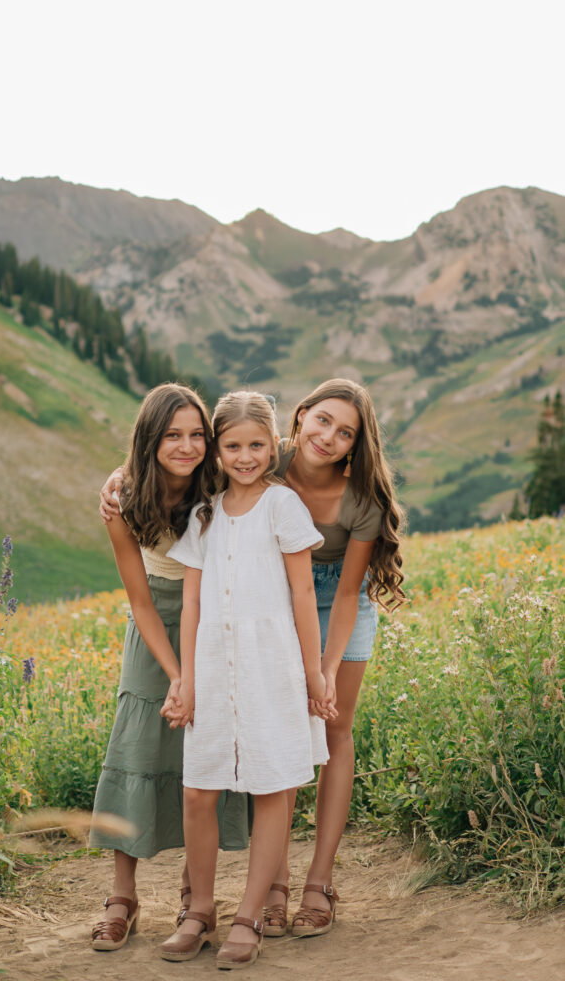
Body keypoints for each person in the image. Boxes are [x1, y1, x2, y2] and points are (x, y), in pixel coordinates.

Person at [158, 391, 336, 970]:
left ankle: (251, 914)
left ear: (274, 445)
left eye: (257, 445)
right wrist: (183, 678)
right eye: (232, 446)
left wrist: (314, 673)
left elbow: (305, 594)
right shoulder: (205, 515)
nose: (245, 456)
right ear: (217, 449)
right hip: (212, 667)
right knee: (198, 790)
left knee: (271, 788)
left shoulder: (282, 507)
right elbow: (190, 603)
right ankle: (200, 909)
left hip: (271, 668)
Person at [88, 383, 250, 953]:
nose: (187, 446)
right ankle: (123, 894)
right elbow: (138, 599)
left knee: (202, 750)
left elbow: (264, 439)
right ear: (150, 440)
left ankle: (193, 892)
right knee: (138, 747)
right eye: (172, 436)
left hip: (218, 618)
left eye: (196, 435)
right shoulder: (124, 500)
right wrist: (177, 674)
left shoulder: (220, 479)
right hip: (155, 620)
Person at [263, 378, 405, 939]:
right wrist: (118, 477)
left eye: (345, 432)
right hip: (277, 598)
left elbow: (348, 593)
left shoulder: (361, 499)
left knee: (334, 727)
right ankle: (272, 880)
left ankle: (319, 880)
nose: (328, 437)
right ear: (300, 416)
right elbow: (188, 458)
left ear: (355, 444)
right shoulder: (263, 458)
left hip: (340, 603)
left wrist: (323, 666)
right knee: (281, 731)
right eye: (322, 420)